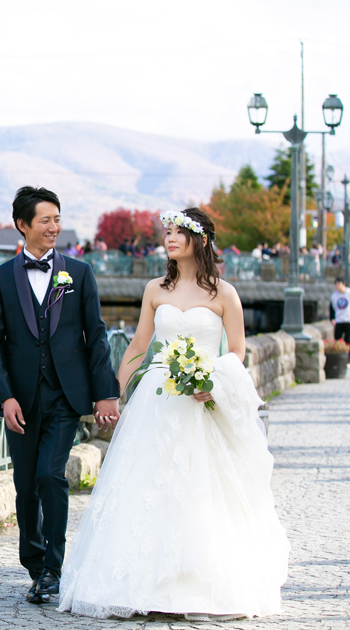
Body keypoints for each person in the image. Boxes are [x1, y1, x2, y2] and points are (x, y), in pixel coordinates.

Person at [58, 208, 289, 620]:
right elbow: (138, 346)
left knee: (199, 487)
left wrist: (212, 380)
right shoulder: (154, 289)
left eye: (178, 232)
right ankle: (138, 585)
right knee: (146, 484)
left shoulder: (224, 293)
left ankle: (195, 585)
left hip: (201, 400)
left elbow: (237, 350)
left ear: (199, 240)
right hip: (157, 399)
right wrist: (119, 389)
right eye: (167, 231)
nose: (169, 238)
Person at [0, 186, 120, 606]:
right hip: (21, 401)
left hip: (64, 397)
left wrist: (105, 394)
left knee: (50, 475)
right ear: (23, 226)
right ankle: (34, 563)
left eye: (57, 219)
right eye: (46, 220)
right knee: (25, 486)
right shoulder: (0, 279)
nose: (54, 227)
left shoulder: (78, 274)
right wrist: (4, 397)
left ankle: (54, 570)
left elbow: (96, 337)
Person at [332, 277, 349, 348]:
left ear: (344, 284)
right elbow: (332, 308)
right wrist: (332, 318)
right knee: (337, 340)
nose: (337, 286)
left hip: (348, 320)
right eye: (336, 284)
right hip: (338, 320)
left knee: (348, 340)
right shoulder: (334, 296)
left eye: (338, 284)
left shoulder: (348, 293)